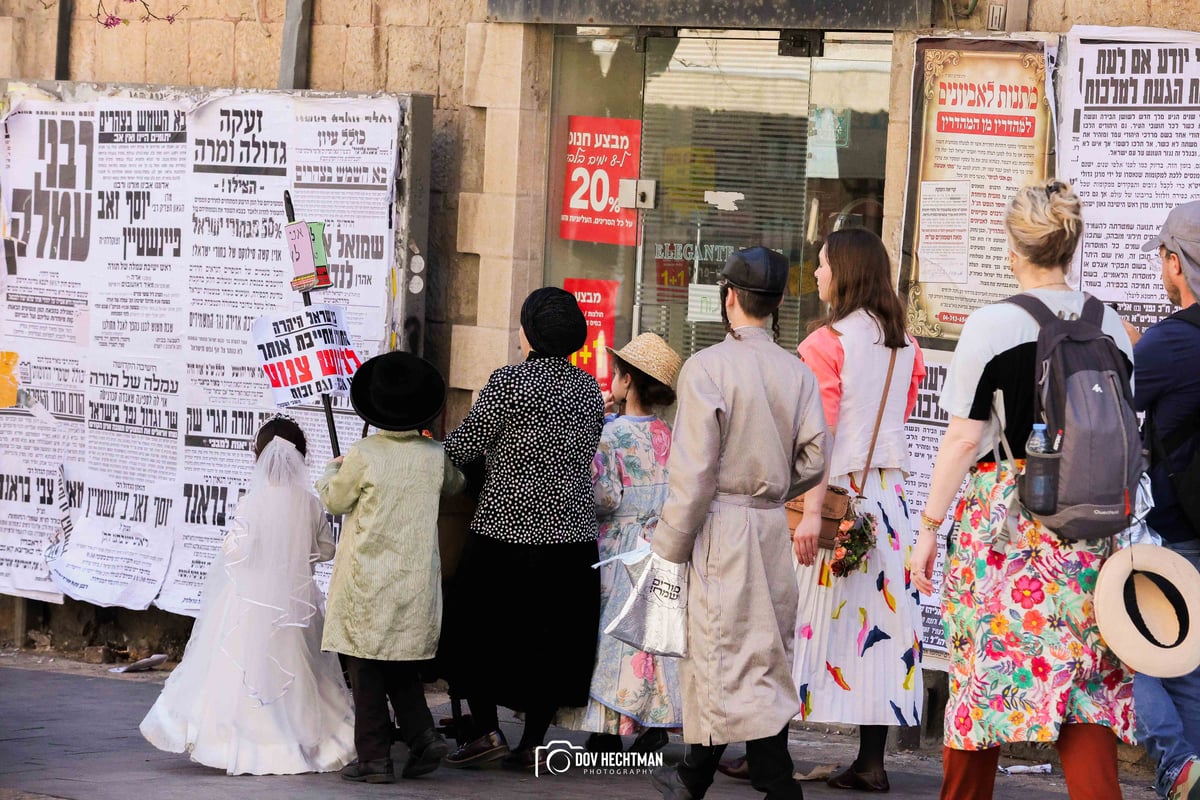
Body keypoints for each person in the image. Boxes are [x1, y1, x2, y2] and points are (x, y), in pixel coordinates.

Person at [909, 179, 1136, 800]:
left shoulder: (991, 325)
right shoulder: (1110, 324)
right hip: (1089, 532)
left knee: (982, 680)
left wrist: (928, 530)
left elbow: (961, 441)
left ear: (1014, 250)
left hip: (1006, 529)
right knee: (1085, 687)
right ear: (1070, 247)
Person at [649, 246, 828, 800]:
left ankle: (743, 782)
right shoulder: (797, 373)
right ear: (773, 306)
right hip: (769, 524)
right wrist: (773, 488)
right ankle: (701, 777)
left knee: (720, 653)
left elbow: (696, 473)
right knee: (760, 655)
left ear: (730, 297)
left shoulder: (706, 368)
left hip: (718, 528)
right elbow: (815, 459)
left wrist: (669, 547)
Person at [441, 286, 605, 771]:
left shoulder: (508, 383)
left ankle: (487, 730)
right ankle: (532, 741)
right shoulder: (589, 390)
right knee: (550, 642)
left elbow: (463, 446)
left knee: (477, 635)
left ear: (530, 333)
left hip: (503, 533)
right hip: (570, 540)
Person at [140, 415, 355, 775]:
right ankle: (304, 742)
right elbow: (326, 550)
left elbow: (236, 551)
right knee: (300, 670)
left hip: (250, 602)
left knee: (237, 670)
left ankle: (239, 744)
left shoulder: (251, 503)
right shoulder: (310, 503)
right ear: (301, 455)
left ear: (258, 457)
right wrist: (296, 555)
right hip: (296, 603)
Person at [790, 228, 925, 792]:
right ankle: (872, 762)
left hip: (835, 500)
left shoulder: (825, 342)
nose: (817, 275)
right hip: (889, 504)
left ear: (843, 272)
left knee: (795, 618)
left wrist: (812, 509)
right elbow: (903, 413)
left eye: (822, 265)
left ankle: (765, 749)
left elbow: (818, 436)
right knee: (885, 628)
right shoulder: (907, 344)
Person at [317, 351, 464, 784]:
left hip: (367, 585)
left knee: (365, 672)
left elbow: (334, 499)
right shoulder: (435, 455)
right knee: (401, 665)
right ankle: (422, 736)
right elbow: (456, 484)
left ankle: (375, 761)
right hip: (416, 583)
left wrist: (332, 468)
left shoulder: (364, 454)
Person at [567, 332, 685, 754]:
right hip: (662, 544)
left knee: (612, 636)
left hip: (619, 545)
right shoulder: (670, 434)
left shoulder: (610, 435)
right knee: (651, 638)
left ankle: (607, 729)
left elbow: (607, 496)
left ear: (627, 382)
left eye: (617, 373)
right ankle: (650, 720)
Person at [1123, 200, 1200, 800]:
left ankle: (1176, 764)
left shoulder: (1169, 345)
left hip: (1171, 530)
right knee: (1192, 665)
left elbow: (1118, 395)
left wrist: (1129, 346)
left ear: (1178, 264)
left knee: (1137, 649)